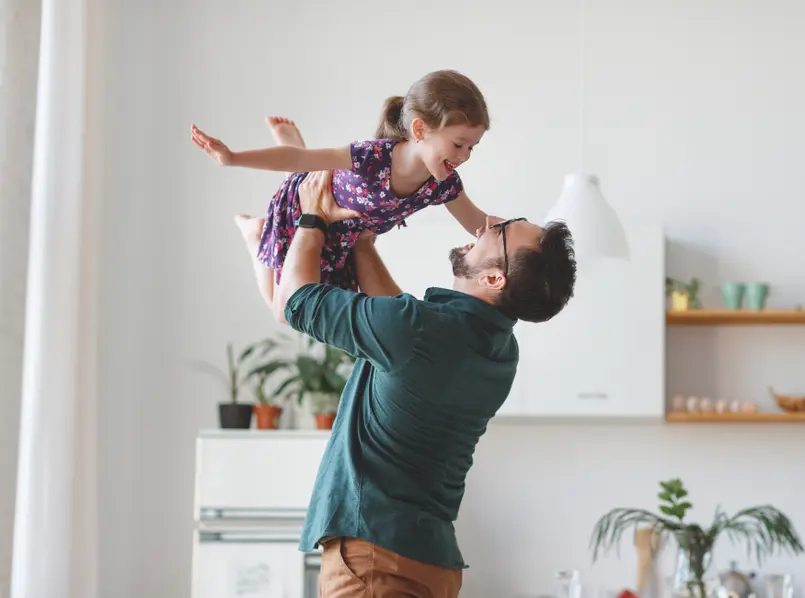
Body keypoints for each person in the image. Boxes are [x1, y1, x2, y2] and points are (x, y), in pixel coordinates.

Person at [277, 168, 576, 598]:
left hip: (374, 563)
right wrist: (362, 242)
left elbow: (294, 299)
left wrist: (312, 219)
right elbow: (399, 328)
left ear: (494, 278)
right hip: (430, 565)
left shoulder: (417, 330)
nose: (489, 223)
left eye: (504, 230)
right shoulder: (499, 351)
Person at [189, 69, 504, 320]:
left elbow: (478, 222)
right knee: (285, 313)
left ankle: (293, 146)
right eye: (458, 144)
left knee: (313, 308)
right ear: (420, 130)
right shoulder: (372, 157)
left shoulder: (443, 184)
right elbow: (299, 161)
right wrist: (232, 158)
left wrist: (531, 236)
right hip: (303, 212)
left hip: (343, 239)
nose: (464, 156)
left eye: (471, 147)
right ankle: (255, 233)